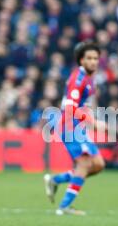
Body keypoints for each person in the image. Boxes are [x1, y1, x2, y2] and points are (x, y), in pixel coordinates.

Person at [44, 42, 106, 215]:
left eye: (95, 58)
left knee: (98, 164)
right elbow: (70, 109)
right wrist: (93, 122)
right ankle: (64, 207)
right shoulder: (77, 80)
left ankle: (55, 180)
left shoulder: (88, 79)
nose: (93, 62)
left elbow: (84, 105)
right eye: (89, 58)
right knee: (85, 164)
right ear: (81, 60)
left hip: (78, 126)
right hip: (69, 126)